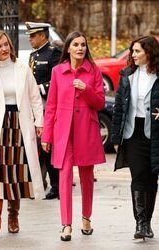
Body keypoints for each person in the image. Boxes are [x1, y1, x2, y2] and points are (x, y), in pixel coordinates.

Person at [0, 30, 45, 237]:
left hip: (19, 124)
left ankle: (13, 216)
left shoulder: (22, 68)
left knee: (15, 172)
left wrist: (39, 122)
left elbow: (34, 98)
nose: (4, 49)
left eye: (6, 44)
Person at [41, 31, 106, 241]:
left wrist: (86, 89)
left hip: (86, 128)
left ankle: (86, 217)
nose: (80, 48)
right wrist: (47, 136)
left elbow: (100, 103)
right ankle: (66, 224)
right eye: (76, 45)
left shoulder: (94, 71)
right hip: (63, 131)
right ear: (68, 48)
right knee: (65, 175)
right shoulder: (58, 71)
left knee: (87, 176)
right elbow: (50, 106)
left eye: (83, 45)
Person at [111, 36, 159, 240]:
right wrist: (115, 136)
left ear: (149, 52)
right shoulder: (128, 75)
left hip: (155, 132)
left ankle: (147, 222)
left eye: (137, 51)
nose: (133, 54)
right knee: (138, 176)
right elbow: (119, 107)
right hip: (133, 133)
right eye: (133, 51)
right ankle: (140, 223)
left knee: (152, 177)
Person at [26, 21, 61, 199]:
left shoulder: (54, 54)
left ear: (42, 35)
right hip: (34, 105)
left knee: (48, 146)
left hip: (48, 104)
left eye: (33, 36)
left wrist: (40, 88)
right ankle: (39, 182)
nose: (30, 39)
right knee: (36, 145)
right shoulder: (33, 55)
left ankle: (57, 185)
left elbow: (57, 79)